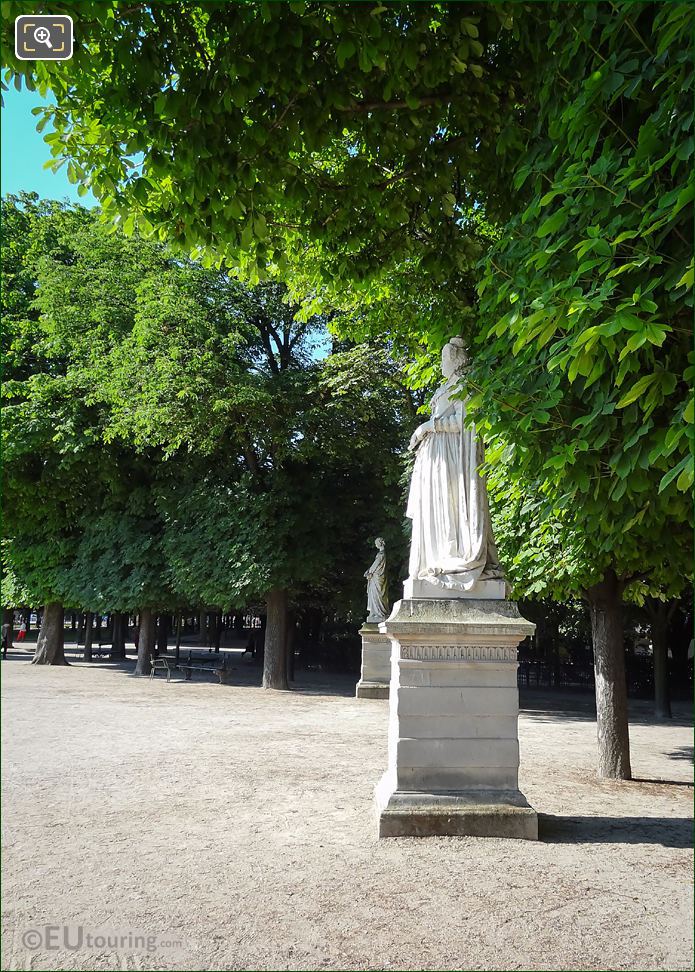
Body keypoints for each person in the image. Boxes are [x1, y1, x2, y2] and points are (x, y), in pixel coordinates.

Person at [406, 338, 503, 592]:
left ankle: (453, 553)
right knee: (440, 508)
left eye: (443, 359)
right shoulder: (449, 386)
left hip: (452, 459)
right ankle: (441, 555)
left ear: (454, 360)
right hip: (439, 459)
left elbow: (465, 423)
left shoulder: (465, 386)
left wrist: (427, 427)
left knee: (450, 508)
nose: (440, 365)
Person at [364, 537, 389, 622]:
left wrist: (369, 572)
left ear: (379, 543)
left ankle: (378, 613)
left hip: (377, 578)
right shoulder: (382, 554)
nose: (375, 545)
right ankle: (375, 612)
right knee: (376, 595)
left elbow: (376, 564)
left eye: (376, 543)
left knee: (376, 594)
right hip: (377, 577)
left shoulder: (381, 554)